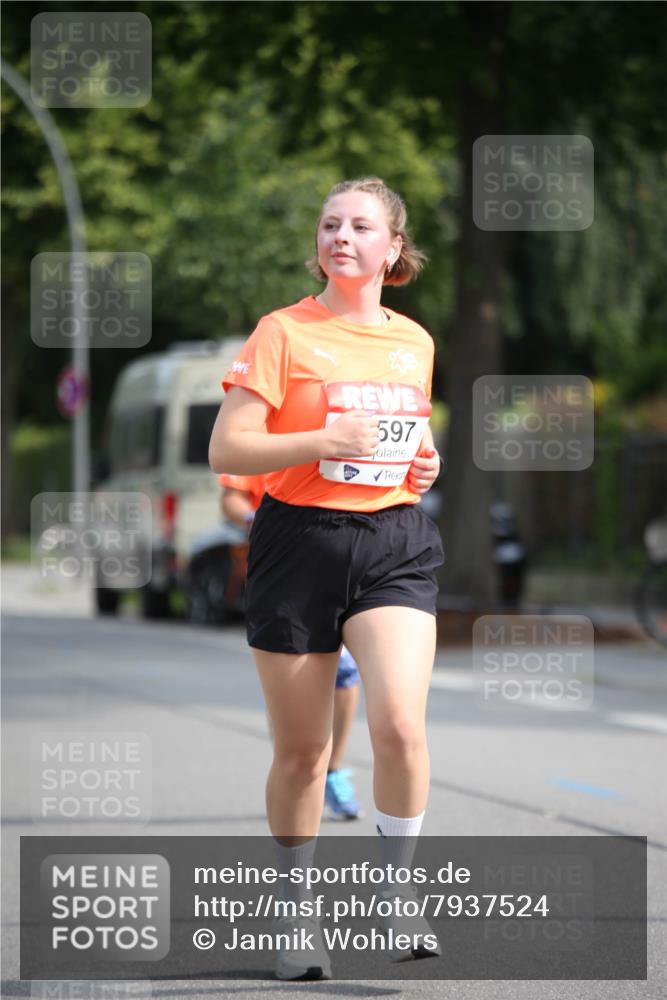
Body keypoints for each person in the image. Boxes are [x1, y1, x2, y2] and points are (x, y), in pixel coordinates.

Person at [209, 176, 443, 980]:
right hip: (297, 542)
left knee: (401, 726)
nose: (340, 236)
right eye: (329, 224)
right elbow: (229, 451)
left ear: (392, 248)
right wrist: (319, 436)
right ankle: (293, 917)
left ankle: (395, 890)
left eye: (359, 226)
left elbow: (403, 438)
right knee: (305, 754)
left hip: (394, 538)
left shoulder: (413, 342)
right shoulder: (281, 332)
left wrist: (423, 458)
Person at [219, 471, 363, 820]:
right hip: (283, 561)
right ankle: (296, 766)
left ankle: (332, 771)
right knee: (293, 687)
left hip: (344, 554)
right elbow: (231, 499)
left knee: (344, 673)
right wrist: (258, 518)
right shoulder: (261, 429)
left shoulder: (342, 421)